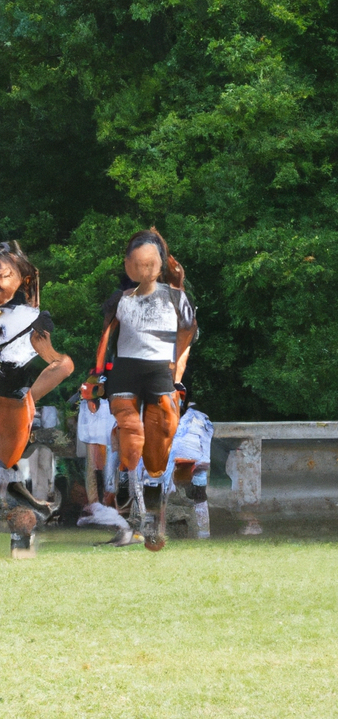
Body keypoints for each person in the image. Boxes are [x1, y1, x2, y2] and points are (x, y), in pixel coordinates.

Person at [80, 228, 196, 551]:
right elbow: (105, 340)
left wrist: (176, 375)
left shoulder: (176, 298)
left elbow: (186, 339)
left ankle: (146, 506)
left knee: (156, 446)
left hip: (161, 373)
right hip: (126, 373)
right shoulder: (120, 300)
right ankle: (138, 515)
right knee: (131, 434)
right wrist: (95, 376)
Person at [0, 240, 74, 551]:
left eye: (4, 275)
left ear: (21, 280)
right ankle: (29, 510)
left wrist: (29, 399)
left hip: (11, 405)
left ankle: (25, 518)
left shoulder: (31, 319)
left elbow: (62, 365)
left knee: (6, 467)